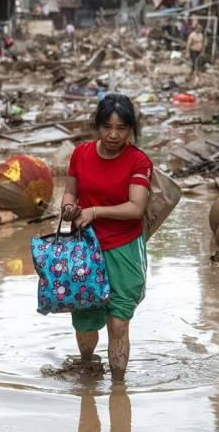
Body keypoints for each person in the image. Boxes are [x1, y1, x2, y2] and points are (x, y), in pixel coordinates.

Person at [60, 94, 153, 383]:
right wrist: (67, 208)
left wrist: (95, 212)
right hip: (84, 249)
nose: (114, 135)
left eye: (122, 128)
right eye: (107, 127)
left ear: (131, 129)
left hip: (123, 248)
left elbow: (136, 208)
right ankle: (88, 368)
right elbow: (70, 192)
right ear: (97, 126)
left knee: (119, 322)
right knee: (85, 319)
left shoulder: (138, 161)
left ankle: (118, 388)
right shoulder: (81, 154)